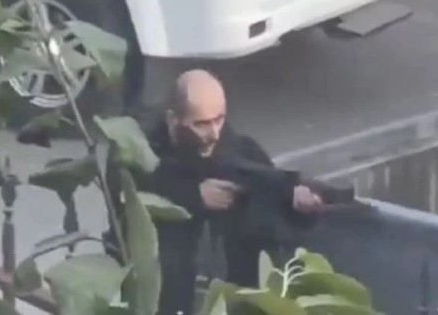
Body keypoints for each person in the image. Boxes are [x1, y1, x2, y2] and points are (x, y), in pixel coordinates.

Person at [131, 70, 325, 315]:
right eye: (200, 124)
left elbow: (271, 193)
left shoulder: (239, 151)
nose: (213, 133)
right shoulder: (144, 147)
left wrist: (300, 204)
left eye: (219, 119)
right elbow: (130, 190)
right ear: (172, 119)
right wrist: (193, 195)